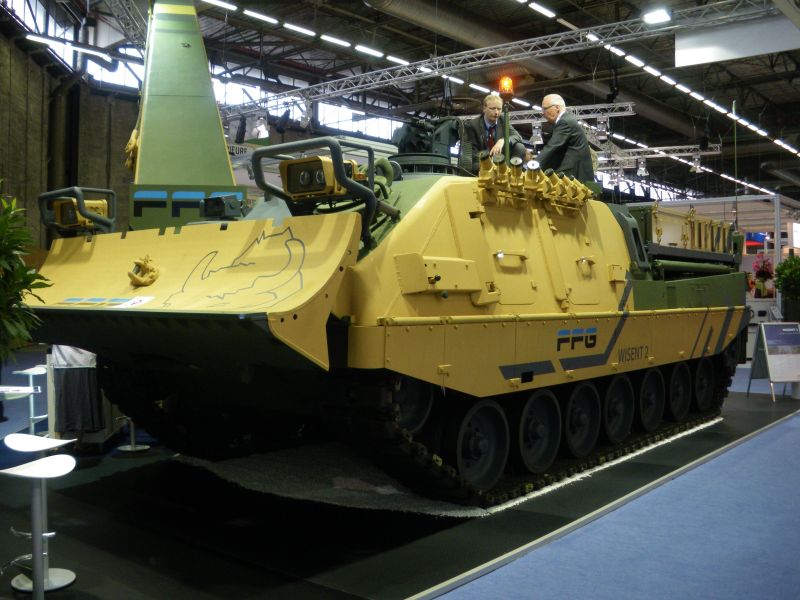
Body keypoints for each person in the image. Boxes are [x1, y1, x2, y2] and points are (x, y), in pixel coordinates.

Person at [534, 94, 594, 182]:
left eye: (545, 109)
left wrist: (533, 165)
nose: (543, 113)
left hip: (575, 175)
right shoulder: (566, 120)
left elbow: (552, 147)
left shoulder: (564, 122)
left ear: (557, 108)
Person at [463, 94, 527, 174]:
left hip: (501, 161)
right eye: (492, 108)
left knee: (520, 147)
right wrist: (488, 162)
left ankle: (511, 174)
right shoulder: (472, 125)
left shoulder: (503, 120)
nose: (496, 112)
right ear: (484, 108)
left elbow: (518, 137)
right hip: (482, 161)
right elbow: (472, 153)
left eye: (499, 109)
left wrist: (503, 140)